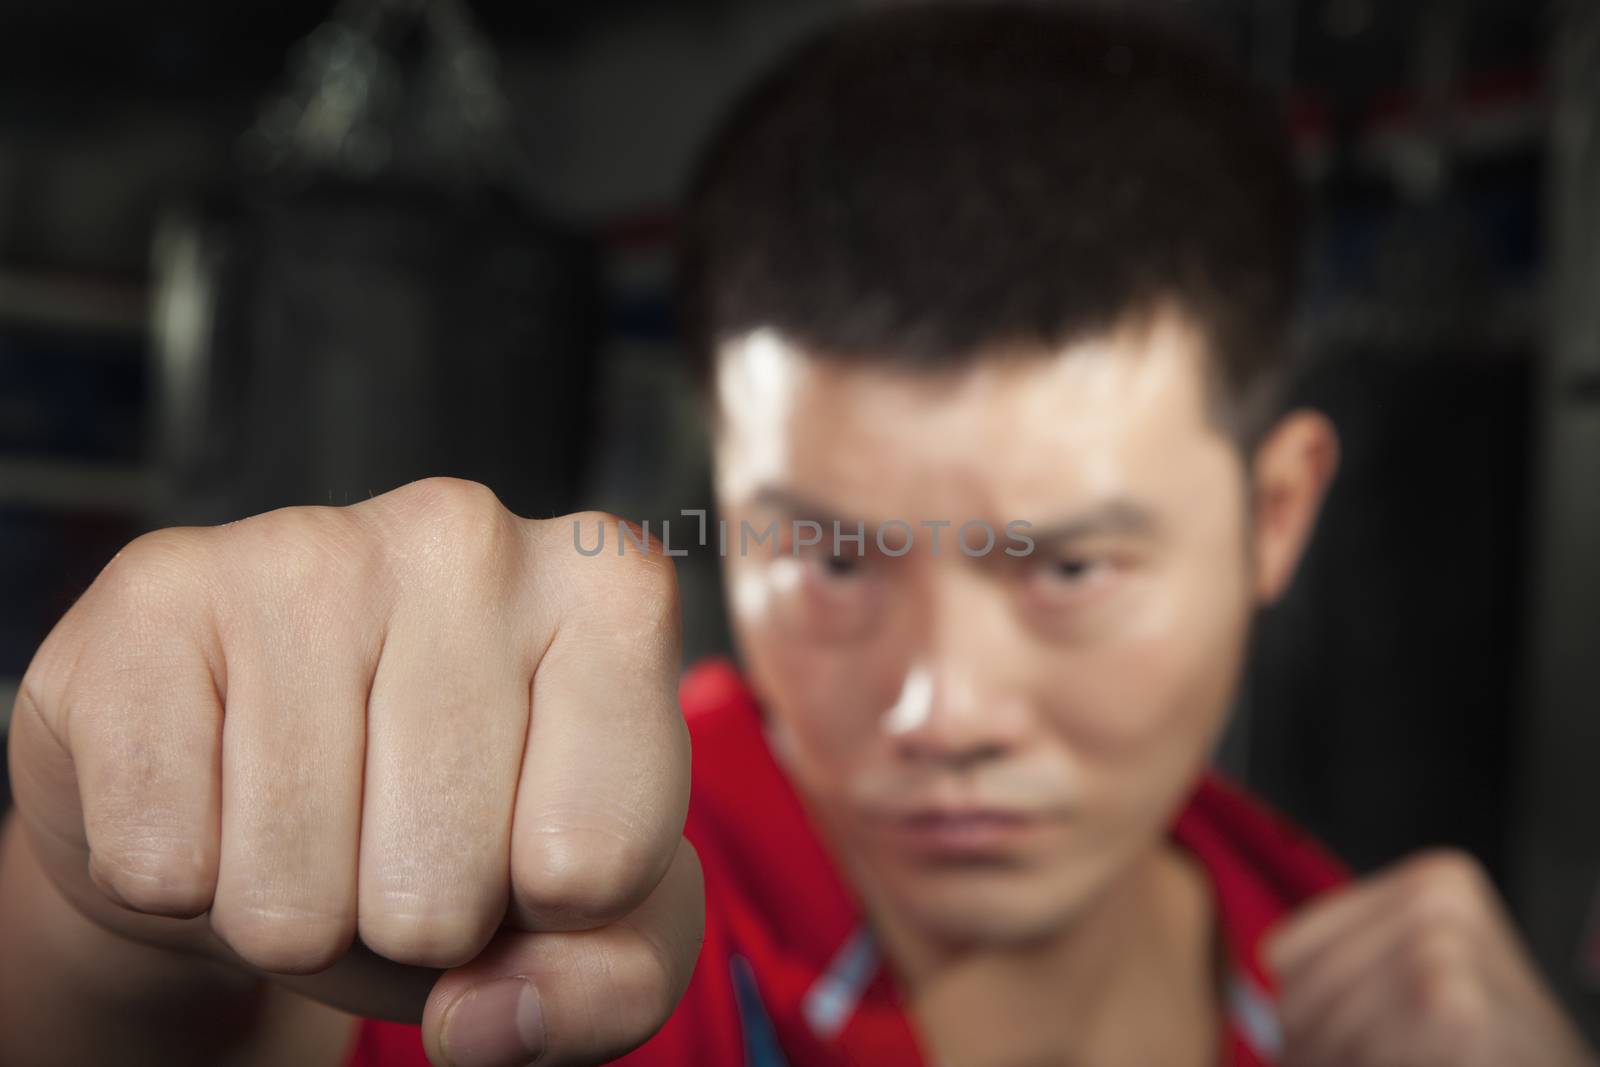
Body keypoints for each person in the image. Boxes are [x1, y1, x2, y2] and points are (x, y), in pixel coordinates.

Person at [1, 5, 1594, 1067]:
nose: (940, 709)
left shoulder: (1353, 978)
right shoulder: (596, 887)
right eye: (832, 557)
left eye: (1068, 567)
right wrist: (107, 898)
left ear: (1274, 514)